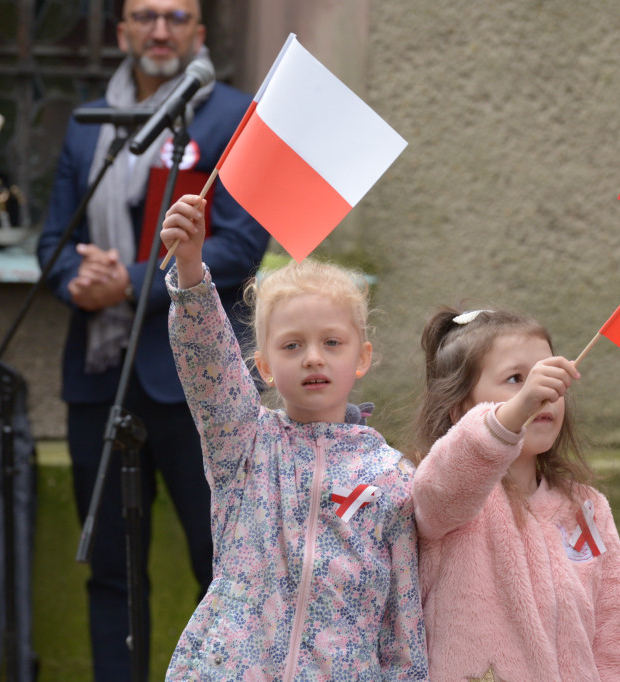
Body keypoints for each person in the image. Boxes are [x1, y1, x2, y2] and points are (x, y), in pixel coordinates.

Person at [36, 1, 270, 679]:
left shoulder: (231, 118)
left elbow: (240, 246)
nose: (160, 30)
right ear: (122, 32)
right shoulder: (89, 127)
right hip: (99, 377)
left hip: (195, 383)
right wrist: (76, 281)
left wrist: (133, 281)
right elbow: (52, 243)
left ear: (199, 32)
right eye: (145, 15)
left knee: (220, 564)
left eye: (176, 16)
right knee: (111, 569)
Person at [158, 194, 429, 679]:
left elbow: (402, 621)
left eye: (331, 342)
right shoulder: (243, 444)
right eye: (291, 345)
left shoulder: (391, 477)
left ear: (361, 357)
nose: (312, 358)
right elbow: (210, 366)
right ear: (263, 367)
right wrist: (191, 266)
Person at [411, 308, 620, 682]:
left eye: (547, 374)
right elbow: (440, 488)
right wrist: (516, 411)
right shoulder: (454, 496)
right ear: (461, 410)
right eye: (516, 378)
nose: (542, 391)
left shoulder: (586, 508)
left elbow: (616, 633)